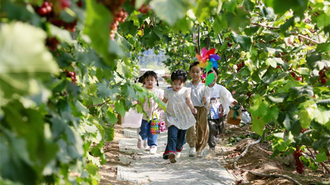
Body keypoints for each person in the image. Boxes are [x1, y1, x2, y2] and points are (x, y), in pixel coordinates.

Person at [162, 69, 197, 163]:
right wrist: (158, 109)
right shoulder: (168, 91)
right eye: (175, 83)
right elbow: (164, 101)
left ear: (184, 83)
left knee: (181, 136)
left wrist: (192, 108)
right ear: (171, 82)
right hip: (172, 116)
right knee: (172, 134)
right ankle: (171, 152)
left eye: (179, 84)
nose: (177, 86)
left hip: (184, 117)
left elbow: (188, 101)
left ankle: (178, 147)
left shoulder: (186, 91)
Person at [205, 67, 237, 158]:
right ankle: (212, 147)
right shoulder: (205, 90)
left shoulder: (220, 88)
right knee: (212, 129)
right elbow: (204, 101)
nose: (213, 78)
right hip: (211, 114)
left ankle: (218, 140)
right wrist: (204, 102)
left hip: (221, 113)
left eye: (214, 76)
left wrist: (232, 102)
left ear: (217, 77)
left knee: (221, 129)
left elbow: (227, 97)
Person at [137, 71, 164, 155]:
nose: (150, 82)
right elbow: (138, 101)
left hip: (155, 115)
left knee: (153, 131)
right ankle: (143, 139)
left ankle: (153, 145)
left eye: (152, 80)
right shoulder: (142, 91)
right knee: (144, 131)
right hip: (143, 115)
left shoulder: (158, 92)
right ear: (144, 80)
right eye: (147, 80)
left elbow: (162, 102)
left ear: (155, 80)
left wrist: (160, 108)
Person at [186, 62, 209, 157]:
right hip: (190, 109)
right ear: (189, 73)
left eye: (197, 72)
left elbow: (208, 103)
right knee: (190, 128)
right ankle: (192, 146)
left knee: (202, 128)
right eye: (193, 72)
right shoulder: (187, 86)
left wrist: (205, 101)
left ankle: (200, 148)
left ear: (201, 73)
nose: (195, 74)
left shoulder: (204, 87)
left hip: (201, 109)